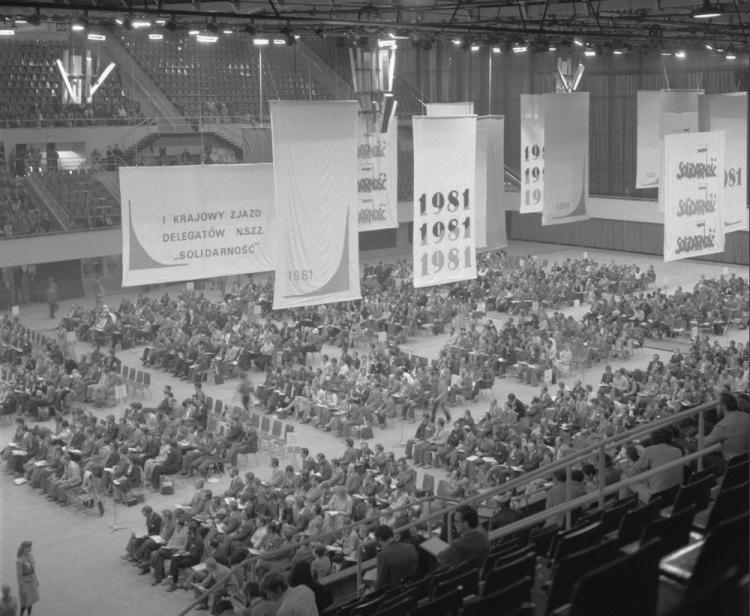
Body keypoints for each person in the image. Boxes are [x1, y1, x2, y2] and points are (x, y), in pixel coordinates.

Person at [436, 505, 490, 570]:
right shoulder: (484, 533)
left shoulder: (459, 545)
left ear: (466, 524)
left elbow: (442, 559)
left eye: (456, 521)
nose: (453, 524)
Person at [704, 392, 750, 466]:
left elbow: (704, 445)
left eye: (717, 404)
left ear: (723, 406)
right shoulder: (747, 416)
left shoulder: (723, 425)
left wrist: (699, 438)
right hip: (746, 460)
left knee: (693, 448)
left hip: (731, 464)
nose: (716, 407)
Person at [373, 525, 419, 591]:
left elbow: (381, 582)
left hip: (396, 592)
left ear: (379, 540)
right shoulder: (411, 547)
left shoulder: (382, 555)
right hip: (414, 587)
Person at [16, 541, 38, 616]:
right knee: (25, 602)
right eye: (28, 547)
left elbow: (33, 569)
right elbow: (19, 576)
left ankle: (29, 614)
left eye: (30, 547)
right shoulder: (20, 561)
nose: (30, 549)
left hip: (31, 582)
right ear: (24, 549)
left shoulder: (30, 557)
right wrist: (23, 588)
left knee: (30, 601)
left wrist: (36, 580)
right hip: (25, 584)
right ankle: (21, 614)